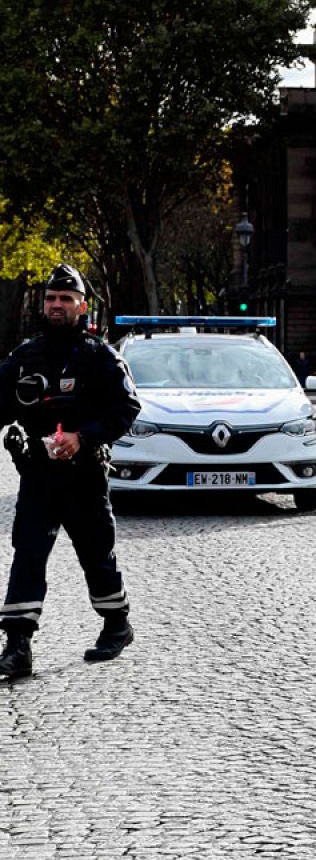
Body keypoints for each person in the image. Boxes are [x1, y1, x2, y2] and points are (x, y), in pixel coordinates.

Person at [0, 264, 142, 680]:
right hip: (39, 477)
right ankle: (18, 644)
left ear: (82, 306)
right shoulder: (24, 359)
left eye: (65, 299)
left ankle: (117, 624)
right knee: (27, 554)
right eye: (50, 299)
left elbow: (127, 408)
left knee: (97, 555)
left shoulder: (101, 357)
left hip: (85, 476)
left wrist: (84, 437)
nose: (57, 305)